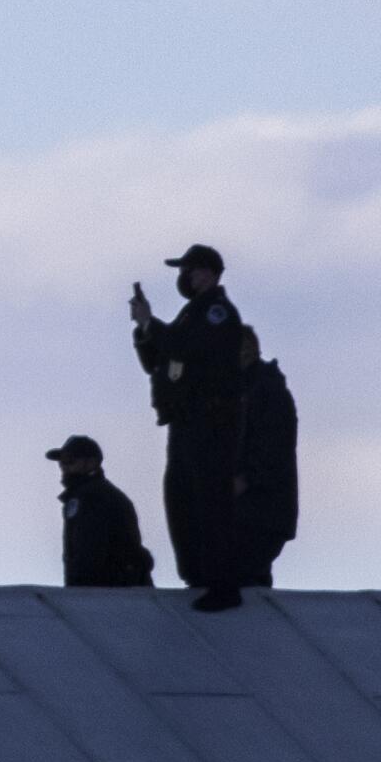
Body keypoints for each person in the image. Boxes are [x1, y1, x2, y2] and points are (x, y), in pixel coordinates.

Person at [130, 243, 244, 612]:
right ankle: (197, 576)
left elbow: (187, 349)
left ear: (209, 273)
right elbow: (159, 361)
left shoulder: (216, 313)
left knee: (209, 502)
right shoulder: (189, 315)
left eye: (190, 270)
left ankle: (222, 583)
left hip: (209, 423)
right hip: (185, 422)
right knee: (182, 500)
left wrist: (154, 325)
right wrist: (145, 328)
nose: (184, 277)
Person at [233, 327, 297, 587]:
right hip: (253, 511)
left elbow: (275, 447)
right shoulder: (247, 388)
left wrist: (246, 479)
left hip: (259, 511)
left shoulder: (266, 389)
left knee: (244, 582)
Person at [46, 435, 153, 588]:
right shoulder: (88, 495)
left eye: (70, 460)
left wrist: (79, 590)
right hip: (113, 591)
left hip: (110, 593)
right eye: (61, 462)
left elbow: (91, 549)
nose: (64, 466)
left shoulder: (92, 497)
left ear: (91, 463)